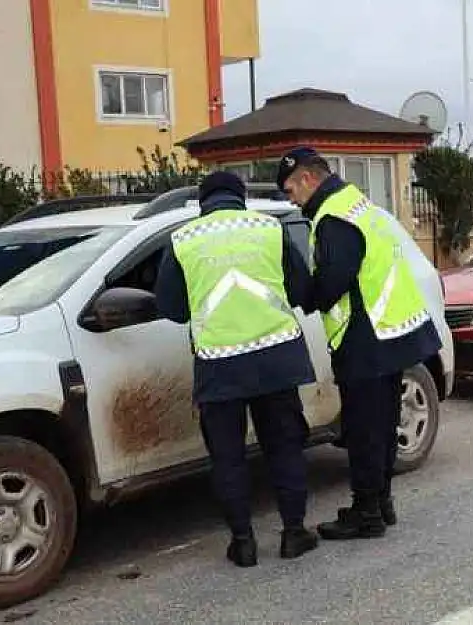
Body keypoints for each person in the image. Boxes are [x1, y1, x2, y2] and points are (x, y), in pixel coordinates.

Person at [153, 171, 319, 567]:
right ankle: (294, 533)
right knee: (284, 448)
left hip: (219, 364)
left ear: (202, 201)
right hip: (276, 357)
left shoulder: (183, 240)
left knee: (228, 458)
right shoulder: (270, 229)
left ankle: (243, 543)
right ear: (240, 198)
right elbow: (299, 290)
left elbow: (172, 309)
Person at [276, 147, 442, 540]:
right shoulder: (357, 203)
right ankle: (381, 503)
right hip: (393, 330)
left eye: (289, 189)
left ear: (307, 179)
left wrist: (305, 292)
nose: (290, 198)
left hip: (366, 336)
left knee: (365, 427)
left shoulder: (333, 218)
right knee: (381, 424)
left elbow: (332, 283)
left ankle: (367, 512)